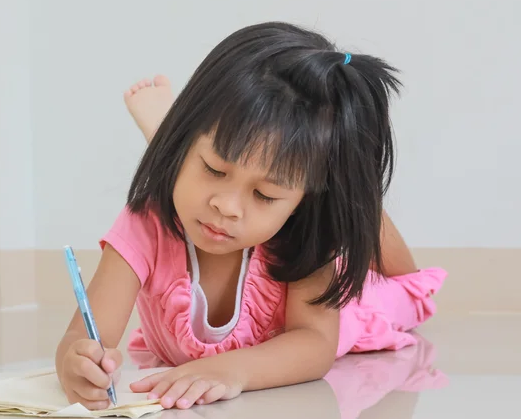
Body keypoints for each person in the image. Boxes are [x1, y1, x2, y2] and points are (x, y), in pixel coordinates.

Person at [55, 21, 447, 411]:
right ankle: (176, 147)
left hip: (356, 304)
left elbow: (314, 344)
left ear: (300, 202)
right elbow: (85, 335)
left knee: (410, 293)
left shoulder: (306, 234)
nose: (227, 206)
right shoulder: (145, 222)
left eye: (264, 194)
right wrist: (78, 362)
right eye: (213, 168)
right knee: (226, 172)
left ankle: (347, 195)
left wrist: (231, 371)